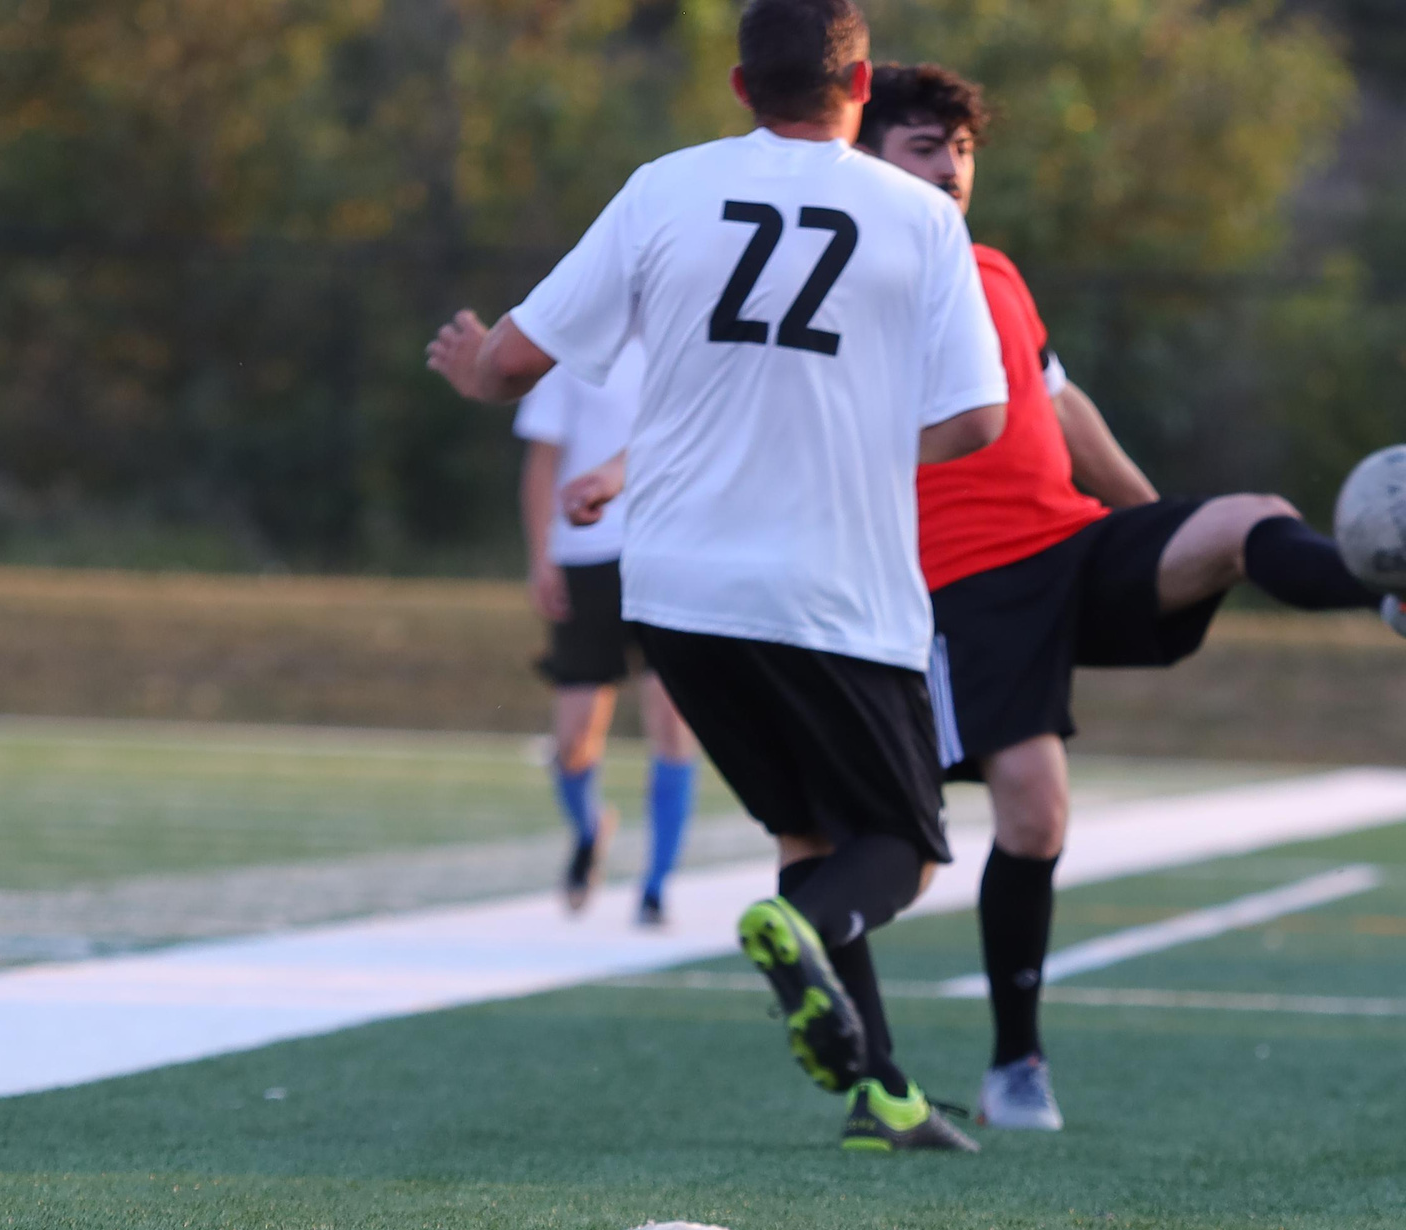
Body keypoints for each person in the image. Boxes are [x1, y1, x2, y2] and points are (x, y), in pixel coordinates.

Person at [570, 62, 1406, 1129]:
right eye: (922, 149)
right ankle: (989, 1069)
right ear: (863, 154)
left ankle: (1388, 584)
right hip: (957, 589)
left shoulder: (987, 268)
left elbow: (1062, 409)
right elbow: (744, 399)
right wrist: (621, 472)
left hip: (1069, 546)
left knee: (1239, 517)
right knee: (1017, 813)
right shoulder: (863, 263)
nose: (948, 171)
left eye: (961, 150)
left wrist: (1154, 523)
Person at [427, 0, 1008, 1153]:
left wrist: (467, 365)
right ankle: (807, 946)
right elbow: (980, 417)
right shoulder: (919, 217)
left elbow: (507, 368)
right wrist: (861, 442)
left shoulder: (664, 187)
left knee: (808, 839)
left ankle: (879, 1092)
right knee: (900, 853)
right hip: (835, 591)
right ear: (865, 84)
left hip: (679, 592)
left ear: (741, 88)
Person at [513, 345, 699, 926]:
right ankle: (590, 829)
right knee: (572, 739)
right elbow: (542, 461)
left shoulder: (688, 337)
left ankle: (656, 886)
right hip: (584, 556)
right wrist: (541, 556)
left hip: (663, 550)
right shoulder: (576, 345)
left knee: (670, 720)